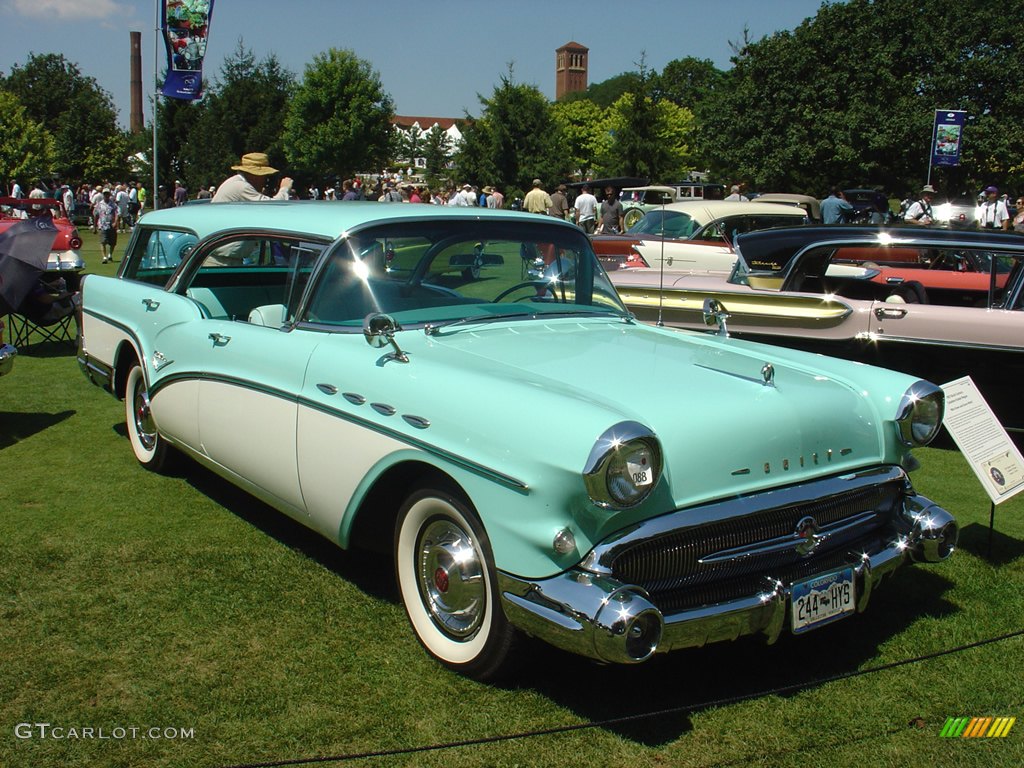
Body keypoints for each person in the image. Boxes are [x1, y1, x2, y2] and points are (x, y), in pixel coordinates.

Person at [212, 153, 293, 202]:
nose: (265, 180)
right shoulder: (241, 186)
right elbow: (272, 206)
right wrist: (285, 188)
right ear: (256, 175)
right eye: (264, 175)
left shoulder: (236, 182)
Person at [94, 188, 119, 263]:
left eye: (107, 194)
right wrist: (95, 226)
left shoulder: (113, 204)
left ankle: (110, 255)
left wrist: (115, 222)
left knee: (113, 243)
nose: (106, 195)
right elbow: (96, 215)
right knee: (103, 242)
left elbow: (117, 213)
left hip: (111, 226)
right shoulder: (99, 204)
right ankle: (104, 257)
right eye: (105, 194)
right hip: (102, 225)